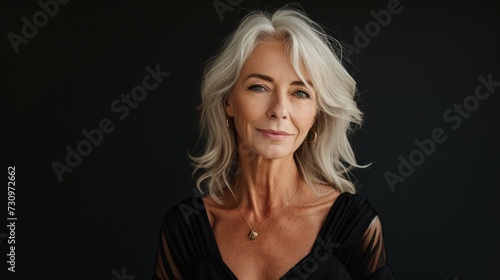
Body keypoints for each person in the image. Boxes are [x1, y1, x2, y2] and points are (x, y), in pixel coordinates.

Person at [153, 4, 395, 280]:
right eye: (259, 87)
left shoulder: (354, 227)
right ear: (227, 101)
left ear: (317, 115)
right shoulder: (185, 229)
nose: (279, 109)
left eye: (300, 93)